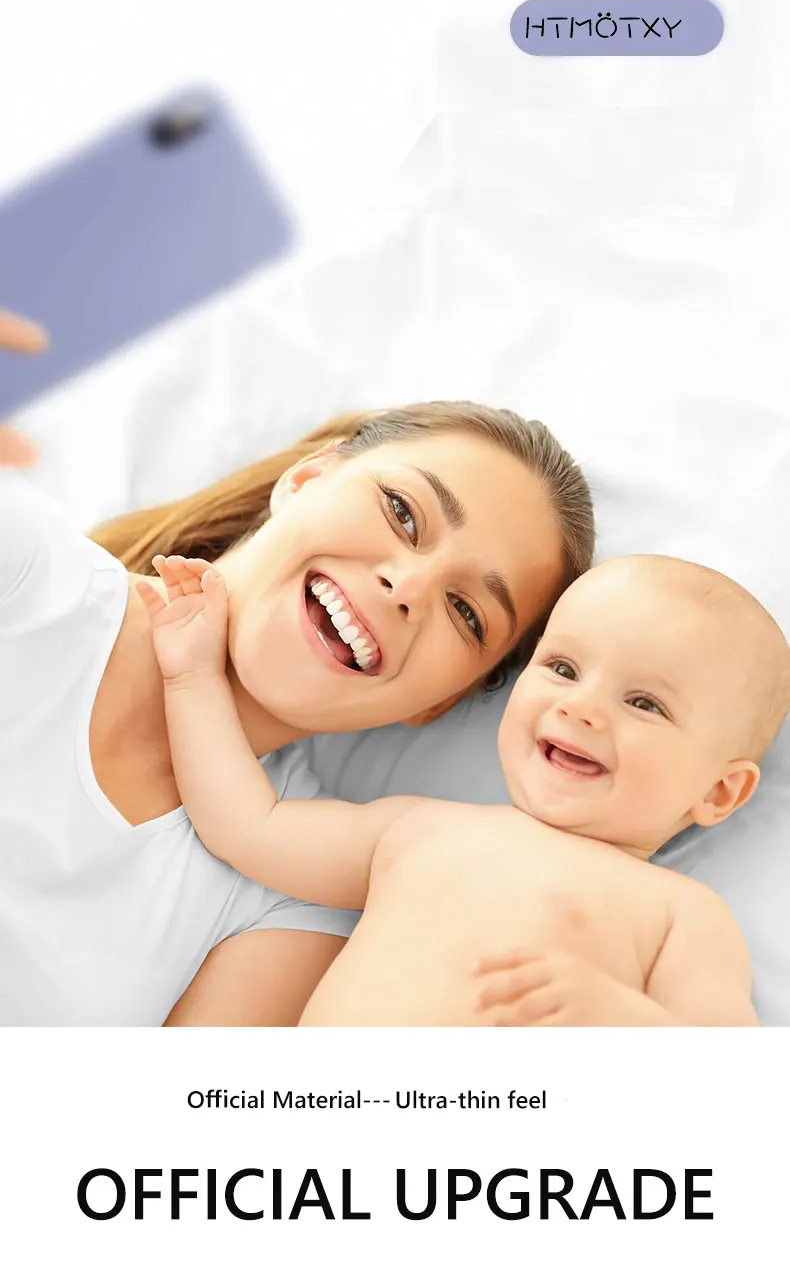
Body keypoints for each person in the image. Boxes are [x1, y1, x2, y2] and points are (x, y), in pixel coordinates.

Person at [0, 309, 595, 1026]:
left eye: (467, 613)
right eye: (404, 513)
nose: (407, 587)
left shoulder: (293, 905)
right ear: (306, 479)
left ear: (439, 702)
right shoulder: (25, 571)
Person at [138, 551, 790, 1026]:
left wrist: (618, 1018)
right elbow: (247, 826)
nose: (580, 708)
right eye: (563, 668)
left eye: (645, 704)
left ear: (720, 793)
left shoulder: (681, 914)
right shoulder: (417, 830)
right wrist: (191, 677)